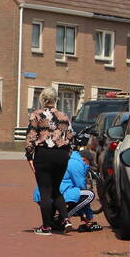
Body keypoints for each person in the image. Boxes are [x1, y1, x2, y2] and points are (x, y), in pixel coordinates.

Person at [25, 87, 74, 235]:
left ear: (42, 99)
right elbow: (71, 136)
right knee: (56, 189)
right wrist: (67, 154)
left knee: (45, 190)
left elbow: (31, 136)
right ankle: (66, 219)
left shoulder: (37, 115)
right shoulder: (64, 116)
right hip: (61, 155)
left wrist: (29, 156)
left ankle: (46, 227)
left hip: (44, 154)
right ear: (55, 99)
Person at [59, 148, 101, 232]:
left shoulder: (72, 159)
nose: (87, 166)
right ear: (84, 159)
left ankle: (59, 219)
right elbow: (82, 190)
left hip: (56, 191)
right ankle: (63, 218)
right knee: (90, 194)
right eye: (88, 164)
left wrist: (82, 215)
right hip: (61, 192)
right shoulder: (77, 164)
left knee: (81, 195)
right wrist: (89, 217)